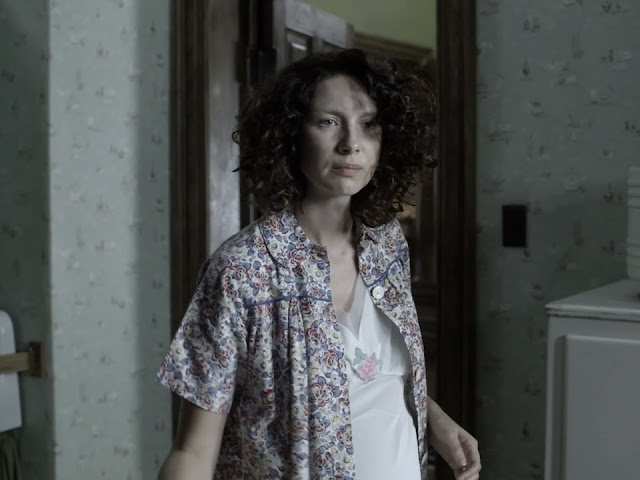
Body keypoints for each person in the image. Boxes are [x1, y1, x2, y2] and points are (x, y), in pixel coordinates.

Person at [157, 48, 481, 480]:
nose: (351, 143)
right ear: (291, 134)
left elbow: (375, 376)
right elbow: (193, 453)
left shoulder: (387, 244)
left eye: (368, 125)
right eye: (328, 122)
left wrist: (434, 420)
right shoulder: (242, 270)